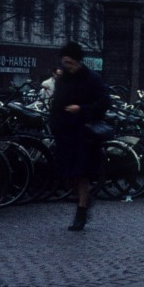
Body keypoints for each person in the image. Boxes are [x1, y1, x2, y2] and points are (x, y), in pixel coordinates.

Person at [48, 41, 111, 231]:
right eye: (65, 63)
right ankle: (84, 200)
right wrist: (55, 123)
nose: (67, 66)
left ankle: (81, 210)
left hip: (83, 133)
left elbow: (104, 102)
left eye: (70, 62)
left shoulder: (92, 79)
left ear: (78, 61)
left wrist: (82, 109)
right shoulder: (63, 80)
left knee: (81, 173)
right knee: (67, 174)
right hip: (64, 133)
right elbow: (57, 103)